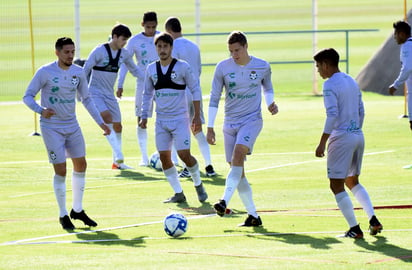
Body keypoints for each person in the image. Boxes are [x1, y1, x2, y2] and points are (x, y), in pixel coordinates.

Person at [23, 37, 110, 230]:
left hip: (72, 125)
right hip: (51, 127)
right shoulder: (45, 72)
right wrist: (40, 110)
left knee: (81, 164)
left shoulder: (78, 73)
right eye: (66, 52)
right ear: (57, 52)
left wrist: (101, 124)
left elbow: (86, 99)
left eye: (72, 52)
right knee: (60, 170)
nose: (70, 55)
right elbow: (27, 96)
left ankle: (77, 210)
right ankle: (63, 214)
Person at [207, 31, 278, 226]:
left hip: (252, 120)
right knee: (237, 171)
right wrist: (210, 127)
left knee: (238, 155)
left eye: (237, 50)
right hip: (230, 123)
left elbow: (268, 88)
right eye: (231, 51)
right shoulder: (222, 68)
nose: (234, 55)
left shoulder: (262, 66)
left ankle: (223, 201)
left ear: (246, 46)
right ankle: (253, 216)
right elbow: (214, 98)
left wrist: (270, 103)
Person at [313, 48, 383, 238]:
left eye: (319, 66)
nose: (318, 71)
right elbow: (362, 110)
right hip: (358, 135)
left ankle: (355, 228)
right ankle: (373, 219)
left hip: (342, 138)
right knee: (352, 180)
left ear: (326, 64)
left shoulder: (330, 86)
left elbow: (332, 115)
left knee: (336, 185)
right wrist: (355, 129)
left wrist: (322, 142)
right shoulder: (351, 80)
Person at [139, 32, 208, 203]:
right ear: (155, 48)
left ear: (171, 48)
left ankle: (198, 184)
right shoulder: (151, 69)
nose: (162, 50)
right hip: (161, 121)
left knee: (185, 155)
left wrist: (197, 116)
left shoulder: (182, 67)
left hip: (180, 119)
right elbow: (147, 94)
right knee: (164, 157)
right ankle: (179, 193)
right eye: (159, 46)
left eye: (165, 46)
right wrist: (144, 116)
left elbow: (196, 90)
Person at [165, 16, 217, 178]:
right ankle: (209, 166)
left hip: (179, 93)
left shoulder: (172, 47)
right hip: (195, 91)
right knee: (197, 128)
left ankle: (186, 166)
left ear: (168, 31)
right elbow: (199, 70)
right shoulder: (194, 46)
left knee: (179, 130)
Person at [83, 23, 140, 170]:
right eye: (123, 40)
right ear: (114, 37)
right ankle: (119, 153)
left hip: (109, 94)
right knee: (107, 118)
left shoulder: (124, 53)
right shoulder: (99, 51)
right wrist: (78, 89)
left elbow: (135, 70)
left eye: (126, 41)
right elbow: (86, 69)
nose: (124, 43)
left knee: (118, 125)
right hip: (94, 92)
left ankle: (117, 163)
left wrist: (153, 80)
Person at [117, 12, 160, 166]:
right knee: (142, 119)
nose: (151, 30)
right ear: (142, 24)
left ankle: (170, 155)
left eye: (154, 27)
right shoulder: (134, 41)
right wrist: (120, 84)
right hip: (143, 83)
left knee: (166, 117)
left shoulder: (161, 38)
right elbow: (125, 62)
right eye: (148, 27)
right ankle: (144, 157)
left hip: (162, 83)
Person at [389, 20, 412, 131]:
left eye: (396, 34)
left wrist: (396, 85)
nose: (394, 37)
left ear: (402, 34)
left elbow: (407, 68)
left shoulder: (407, 46)